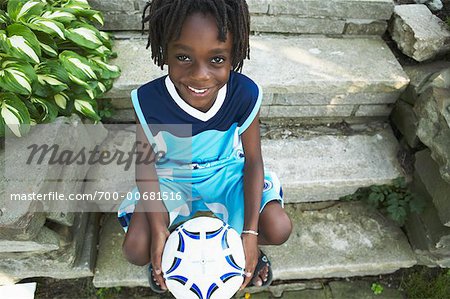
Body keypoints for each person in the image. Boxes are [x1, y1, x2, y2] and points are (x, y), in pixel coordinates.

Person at [117, 0, 292, 294]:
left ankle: (236, 250)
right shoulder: (147, 101)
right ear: (164, 50)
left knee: (277, 228)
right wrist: (159, 229)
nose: (200, 75)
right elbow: (145, 165)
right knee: (136, 250)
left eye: (217, 60)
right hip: (173, 179)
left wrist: (249, 233)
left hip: (224, 174)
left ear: (234, 53)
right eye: (184, 57)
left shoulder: (244, 94)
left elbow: (253, 161)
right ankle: (173, 252)